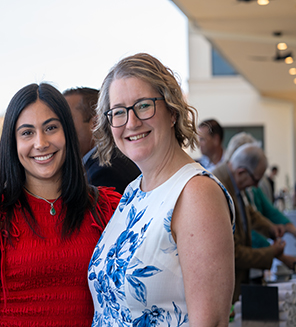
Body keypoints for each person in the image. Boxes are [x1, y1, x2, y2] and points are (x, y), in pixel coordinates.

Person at [0, 83, 121, 326]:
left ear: (67, 132)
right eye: (27, 132)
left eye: (51, 128)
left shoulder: (105, 209)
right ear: (12, 142)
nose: (41, 142)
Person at [88, 53, 235, 327]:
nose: (131, 122)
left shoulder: (196, 193)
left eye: (143, 106)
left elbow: (211, 322)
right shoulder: (134, 191)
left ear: (172, 112)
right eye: (118, 111)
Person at [212, 143, 295, 303]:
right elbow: (234, 254)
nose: (256, 186)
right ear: (241, 172)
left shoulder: (233, 183)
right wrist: (272, 252)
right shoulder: (218, 188)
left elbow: (249, 212)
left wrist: (270, 227)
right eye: (256, 180)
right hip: (224, 290)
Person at [63, 87, 140, 193]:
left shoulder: (105, 172)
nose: (60, 130)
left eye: (66, 121)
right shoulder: (99, 164)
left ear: (95, 123)